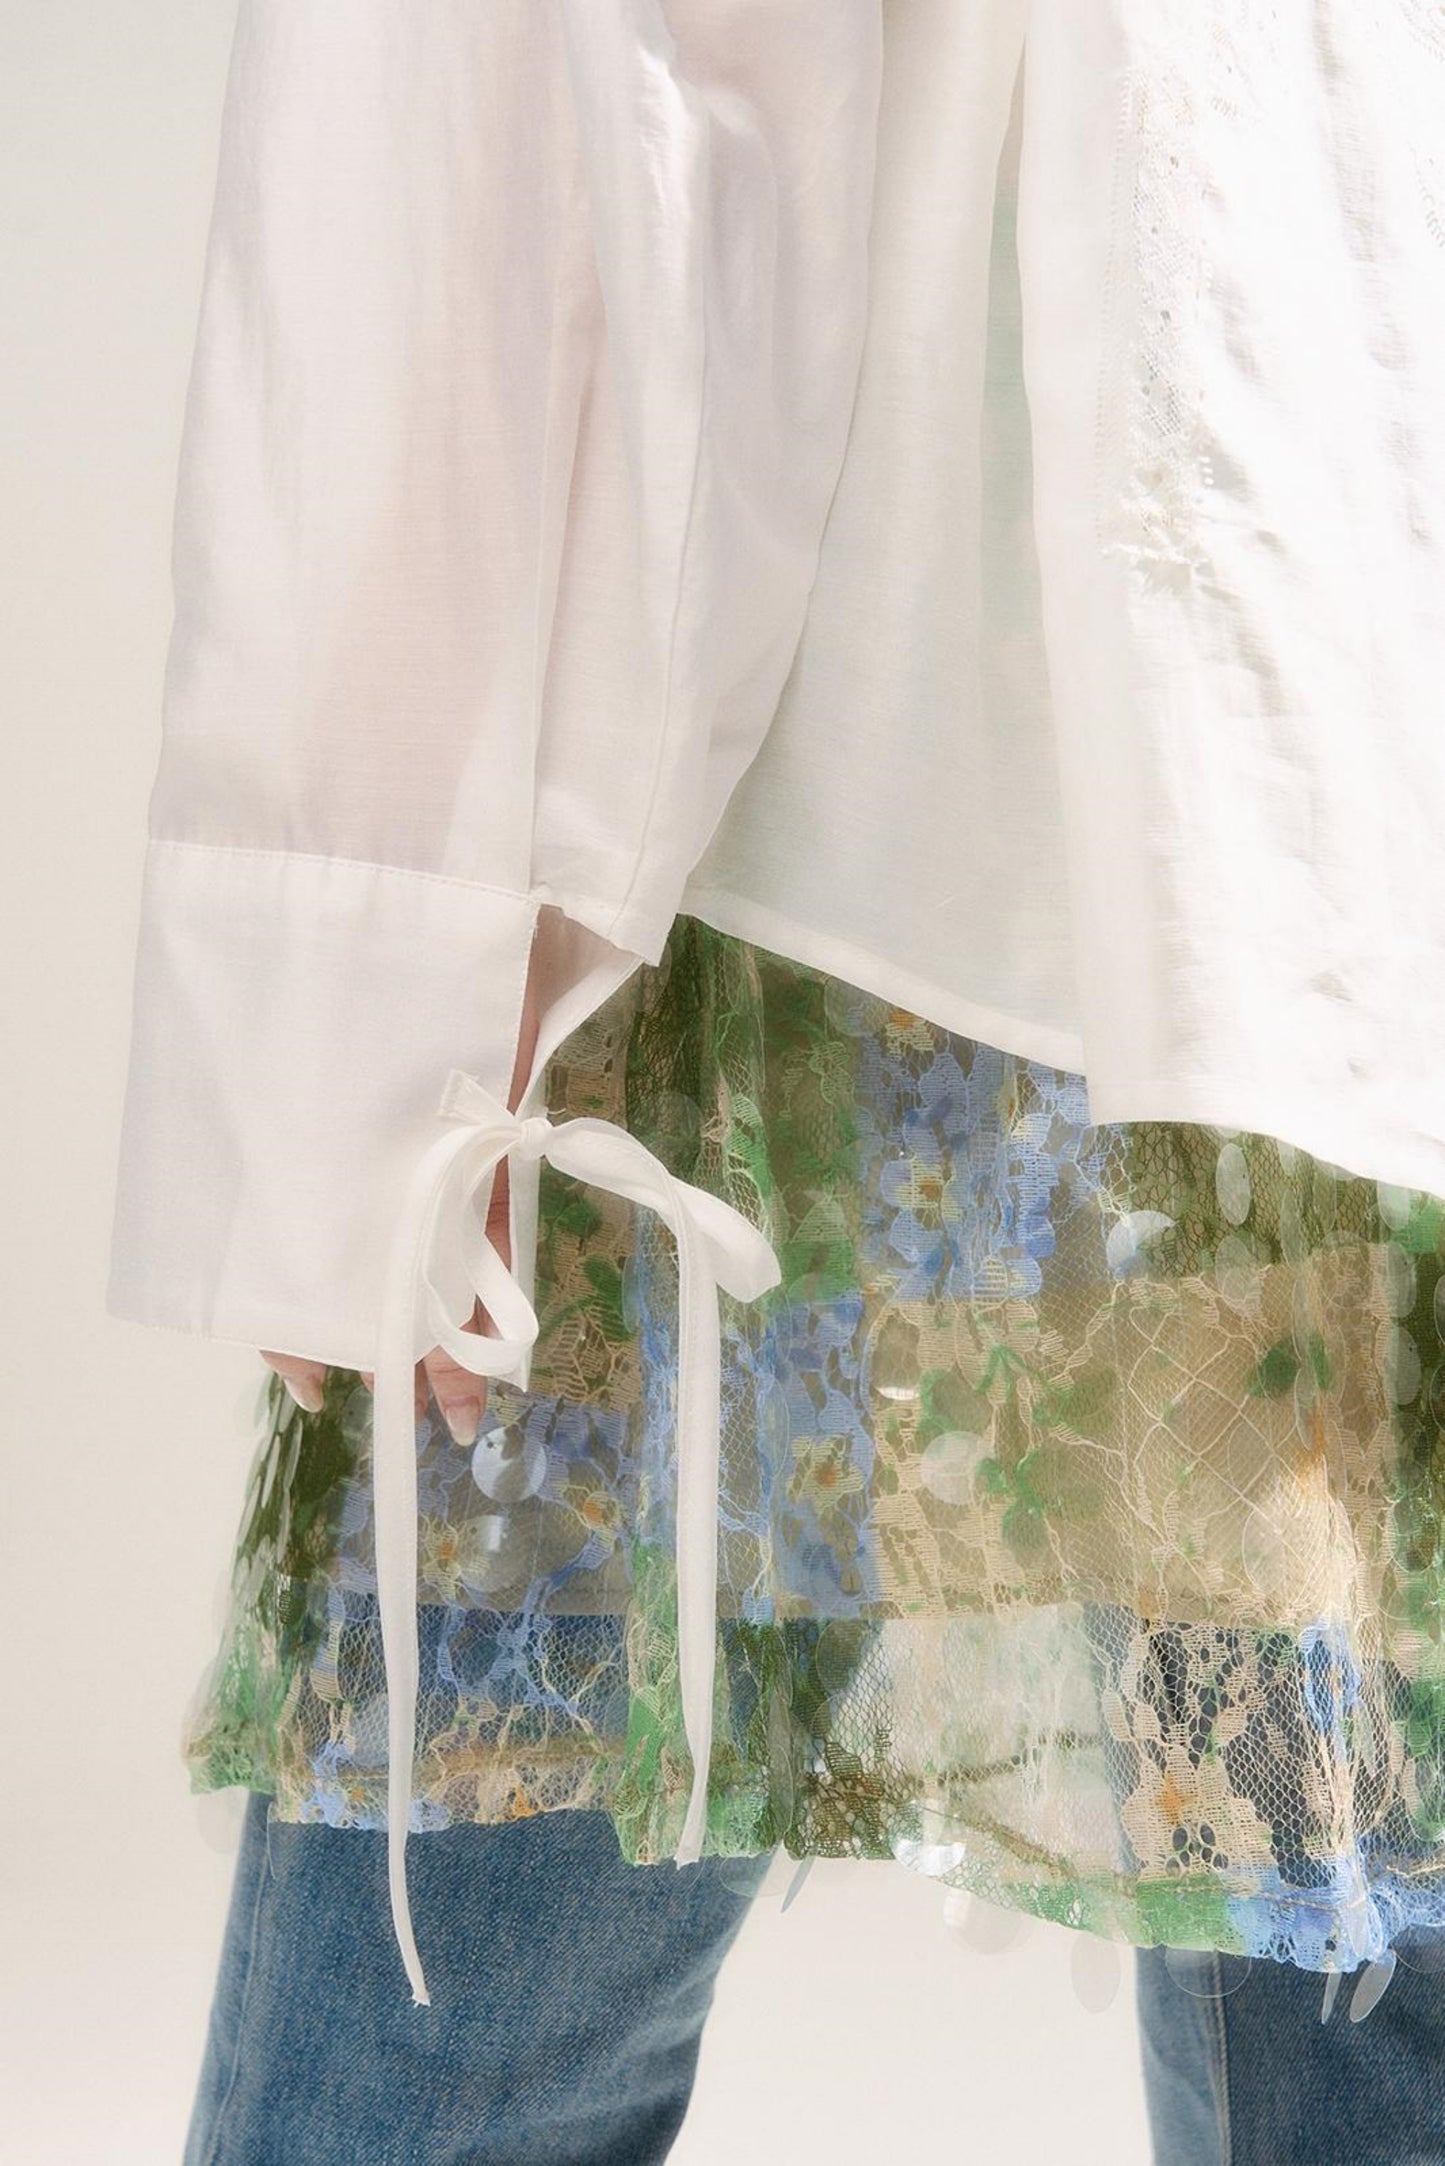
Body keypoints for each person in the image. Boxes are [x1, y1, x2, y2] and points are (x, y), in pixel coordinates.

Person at [109, 5, 1445, 2159]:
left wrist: (375, 924)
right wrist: (391, 925)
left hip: (1247, 780)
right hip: (857, 787)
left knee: (1370, 1993)